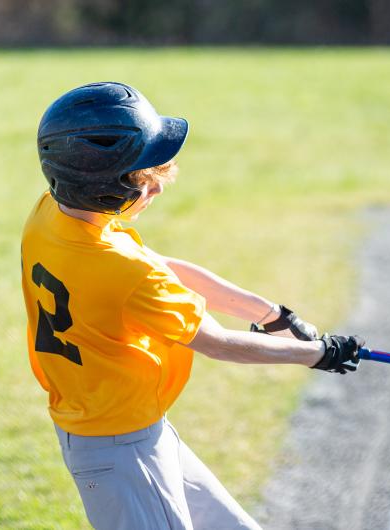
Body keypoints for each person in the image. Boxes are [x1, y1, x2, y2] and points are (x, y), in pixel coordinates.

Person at [20, 81, 363, 530]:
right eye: (145, 181)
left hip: (133, 431)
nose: (157, 190)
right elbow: (219, 344)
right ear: (105, 189)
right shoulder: (122, 270)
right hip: (120, 451)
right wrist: (319, 354)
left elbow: (165, 268)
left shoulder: (55, 216)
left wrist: (272, 315)